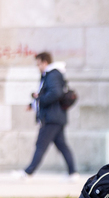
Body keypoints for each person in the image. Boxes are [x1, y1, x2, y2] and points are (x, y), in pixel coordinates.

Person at [17, 52, 78, 180]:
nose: (38, 67)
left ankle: (28, 172)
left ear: (45, 62)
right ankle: (73, 173)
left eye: (39, 64)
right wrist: (33, 103)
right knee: (62, 145)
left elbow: (55, 93)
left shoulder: (52, 74)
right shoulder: (52, 74)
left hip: (51, 117)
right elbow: (51, 93)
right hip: (56, 116)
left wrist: (40, 99)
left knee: (41, 145)